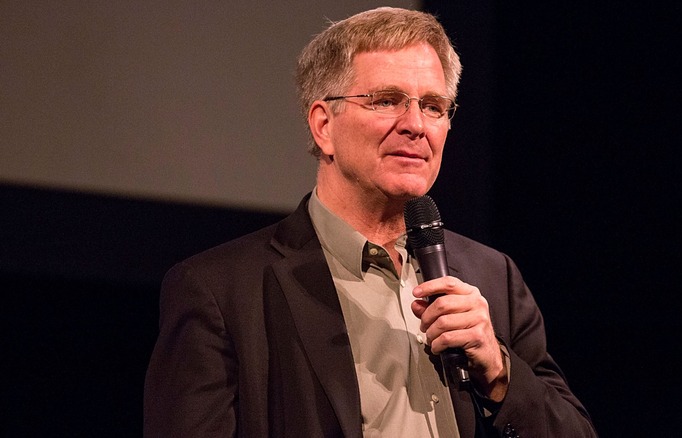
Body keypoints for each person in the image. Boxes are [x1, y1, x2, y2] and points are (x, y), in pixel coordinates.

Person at [144, 7, 597, 438]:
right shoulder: (219, 291)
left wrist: (499, 373)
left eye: (435, 106)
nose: (416, 125)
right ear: (324, 126)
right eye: (386, 101)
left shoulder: (493, 278)